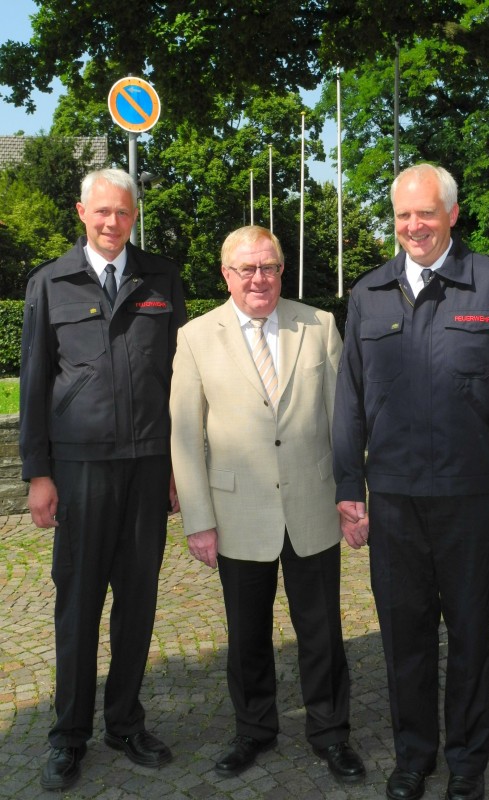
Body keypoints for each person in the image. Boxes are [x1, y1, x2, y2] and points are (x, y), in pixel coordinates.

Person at [332, 164, 489, 800]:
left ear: (453, 214)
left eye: (425, 213)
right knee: (405, 637)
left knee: (473, 636)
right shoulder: (368, 293)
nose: (413, 226)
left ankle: (468, 763)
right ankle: (413, 756)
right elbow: (349, 400)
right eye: (402, 215)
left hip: (472, 499)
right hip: (393, 501)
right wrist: (349, 485)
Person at [169, 225, 365, 784]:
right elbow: (184, 436)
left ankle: (331, 734)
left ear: (283, 269)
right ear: (226, 275)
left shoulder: (320, 324)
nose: (261, 279)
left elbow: (343, 421)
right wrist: (199, 521)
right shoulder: (195, 337)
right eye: (248, 269)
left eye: (271, 267)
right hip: (237, 516)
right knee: (247, 634)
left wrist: (353, 496)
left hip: (314, 504)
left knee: (322, 631)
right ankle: (253, 731)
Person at [19, 168, 187, 792]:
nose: (113, 222)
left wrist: (179, 464)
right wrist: (38, 473)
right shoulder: (50, 283)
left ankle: (125, 720)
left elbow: (180, 380)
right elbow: (35, 383)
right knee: (78, 603)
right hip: (80, 466)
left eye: (123, 212)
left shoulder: (161, 277)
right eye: (102, 212)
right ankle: (69, 734)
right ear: (81, 213)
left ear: (135, 213)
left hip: (148, 466)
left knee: (138, 603)